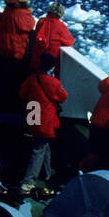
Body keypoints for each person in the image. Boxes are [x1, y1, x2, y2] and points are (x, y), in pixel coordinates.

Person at [18, 53, 69, 193]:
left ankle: (47, 172)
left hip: (32, 114)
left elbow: (22, 93)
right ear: (52, 67)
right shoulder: (54, 83)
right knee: (39, 149)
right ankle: (28, 182)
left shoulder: (32, 78)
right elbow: (63, 97)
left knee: (43, 144)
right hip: (45, 119)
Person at [0, 0, 35, 109]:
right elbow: (30, 25)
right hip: (15, 50)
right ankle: (11, 104)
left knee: (3, 75)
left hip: (2, 47)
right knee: (13, 79)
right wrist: (29, 13)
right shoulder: (22, 15)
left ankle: (0, 99)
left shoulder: (8, 10)